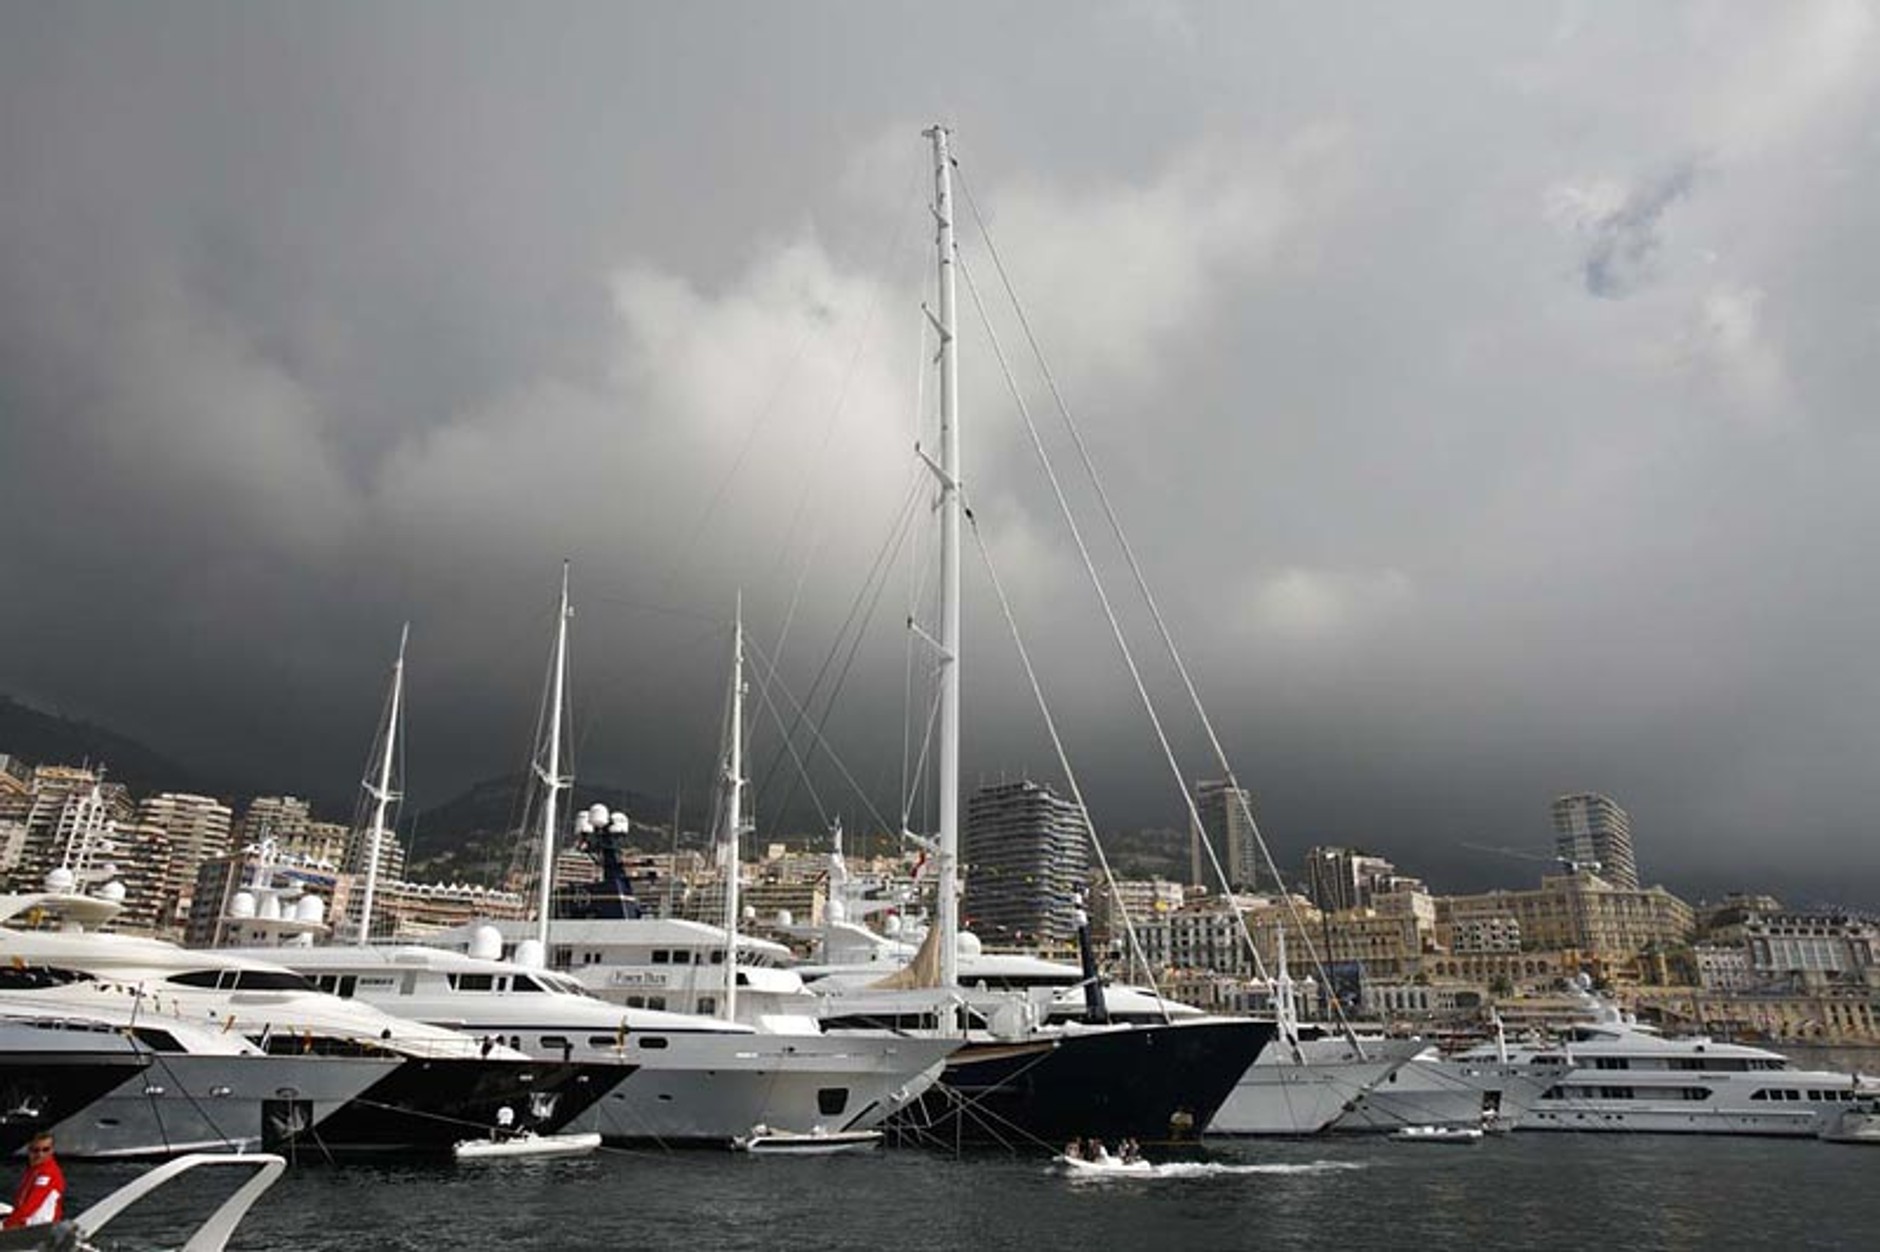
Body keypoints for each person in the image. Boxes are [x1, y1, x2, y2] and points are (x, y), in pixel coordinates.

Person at [4, 1134, 64, 1229]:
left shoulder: (48, 1173)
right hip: (26, 1224)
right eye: (35, 1150)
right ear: (29, 1150)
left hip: (39, 1229)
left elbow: (32, 1204)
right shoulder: (34, 1169)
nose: (40, 1154)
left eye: (45, 1149)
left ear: (52, 1150)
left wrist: (7, 1224)